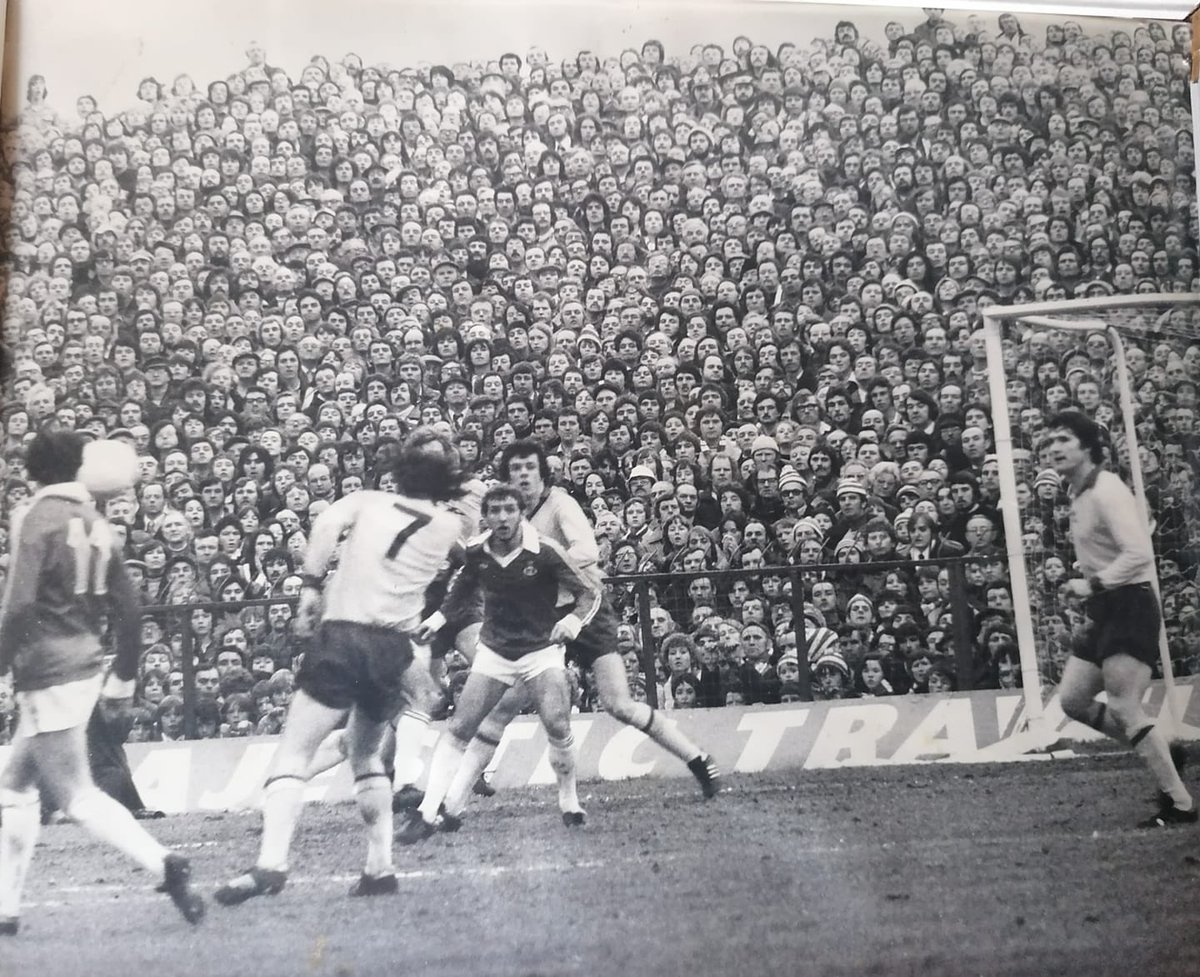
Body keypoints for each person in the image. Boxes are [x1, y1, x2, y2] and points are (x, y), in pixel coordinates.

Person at [214, 438, 467, 905]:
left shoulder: (369, 500)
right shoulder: (449, 526)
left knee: (292, 755)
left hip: (344, 635)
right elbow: (462, 557)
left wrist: (310, 586)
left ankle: (271, 864)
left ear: (399, 472)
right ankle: (380, 868)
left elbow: (327, 521)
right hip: (393, 646)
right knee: (365, 755)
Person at [435, 441, 720, 808]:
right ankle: (452, 803)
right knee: (504, 706)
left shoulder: (560, 503)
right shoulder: (504, 517)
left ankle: (698, 760)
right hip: (542, 619)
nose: (523, 474)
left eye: (530, 467)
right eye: (516, 468)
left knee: (619, 703)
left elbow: (587, 551)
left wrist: (544, 571)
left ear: (542, 473)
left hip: (586, 610)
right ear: (507, 477)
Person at [0, 432, 205, 934]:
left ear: (31, 472)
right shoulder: (97, 523)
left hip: (47, 667)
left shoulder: (35, 518)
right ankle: (6, 909)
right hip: (85, 662)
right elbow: (130, 609)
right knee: (14, 784)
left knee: (76, 795)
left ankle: (163, 862)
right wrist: (124, 679)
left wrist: (3, 662)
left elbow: (21, 603)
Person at [398, 484, 600, 840]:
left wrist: (571, 621)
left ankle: (569, 800)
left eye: (510, 510)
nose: (502, 517)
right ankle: (427, 813)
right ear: (485, 517)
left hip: (540, 651)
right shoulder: (476, 551)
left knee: (556, 723)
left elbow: (588, 592)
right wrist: (437, 621)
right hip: (495, 652)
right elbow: (460, 592)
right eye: (495, 511)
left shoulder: (546, 550)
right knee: (459, 728)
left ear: (521, 512)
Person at [1046, 411, 1194, 827]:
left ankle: (1181, 803)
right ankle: (1163, 748)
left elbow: (1140, 554)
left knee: (1125, 706)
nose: (1053, 448)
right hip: (1107, 606)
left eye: (1063, 440)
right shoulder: (1078, 491)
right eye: (1049, 442)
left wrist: (1092, 585)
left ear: (1088, 447)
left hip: (1130, 604)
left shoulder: (1106, 490)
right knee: (1073, 699)